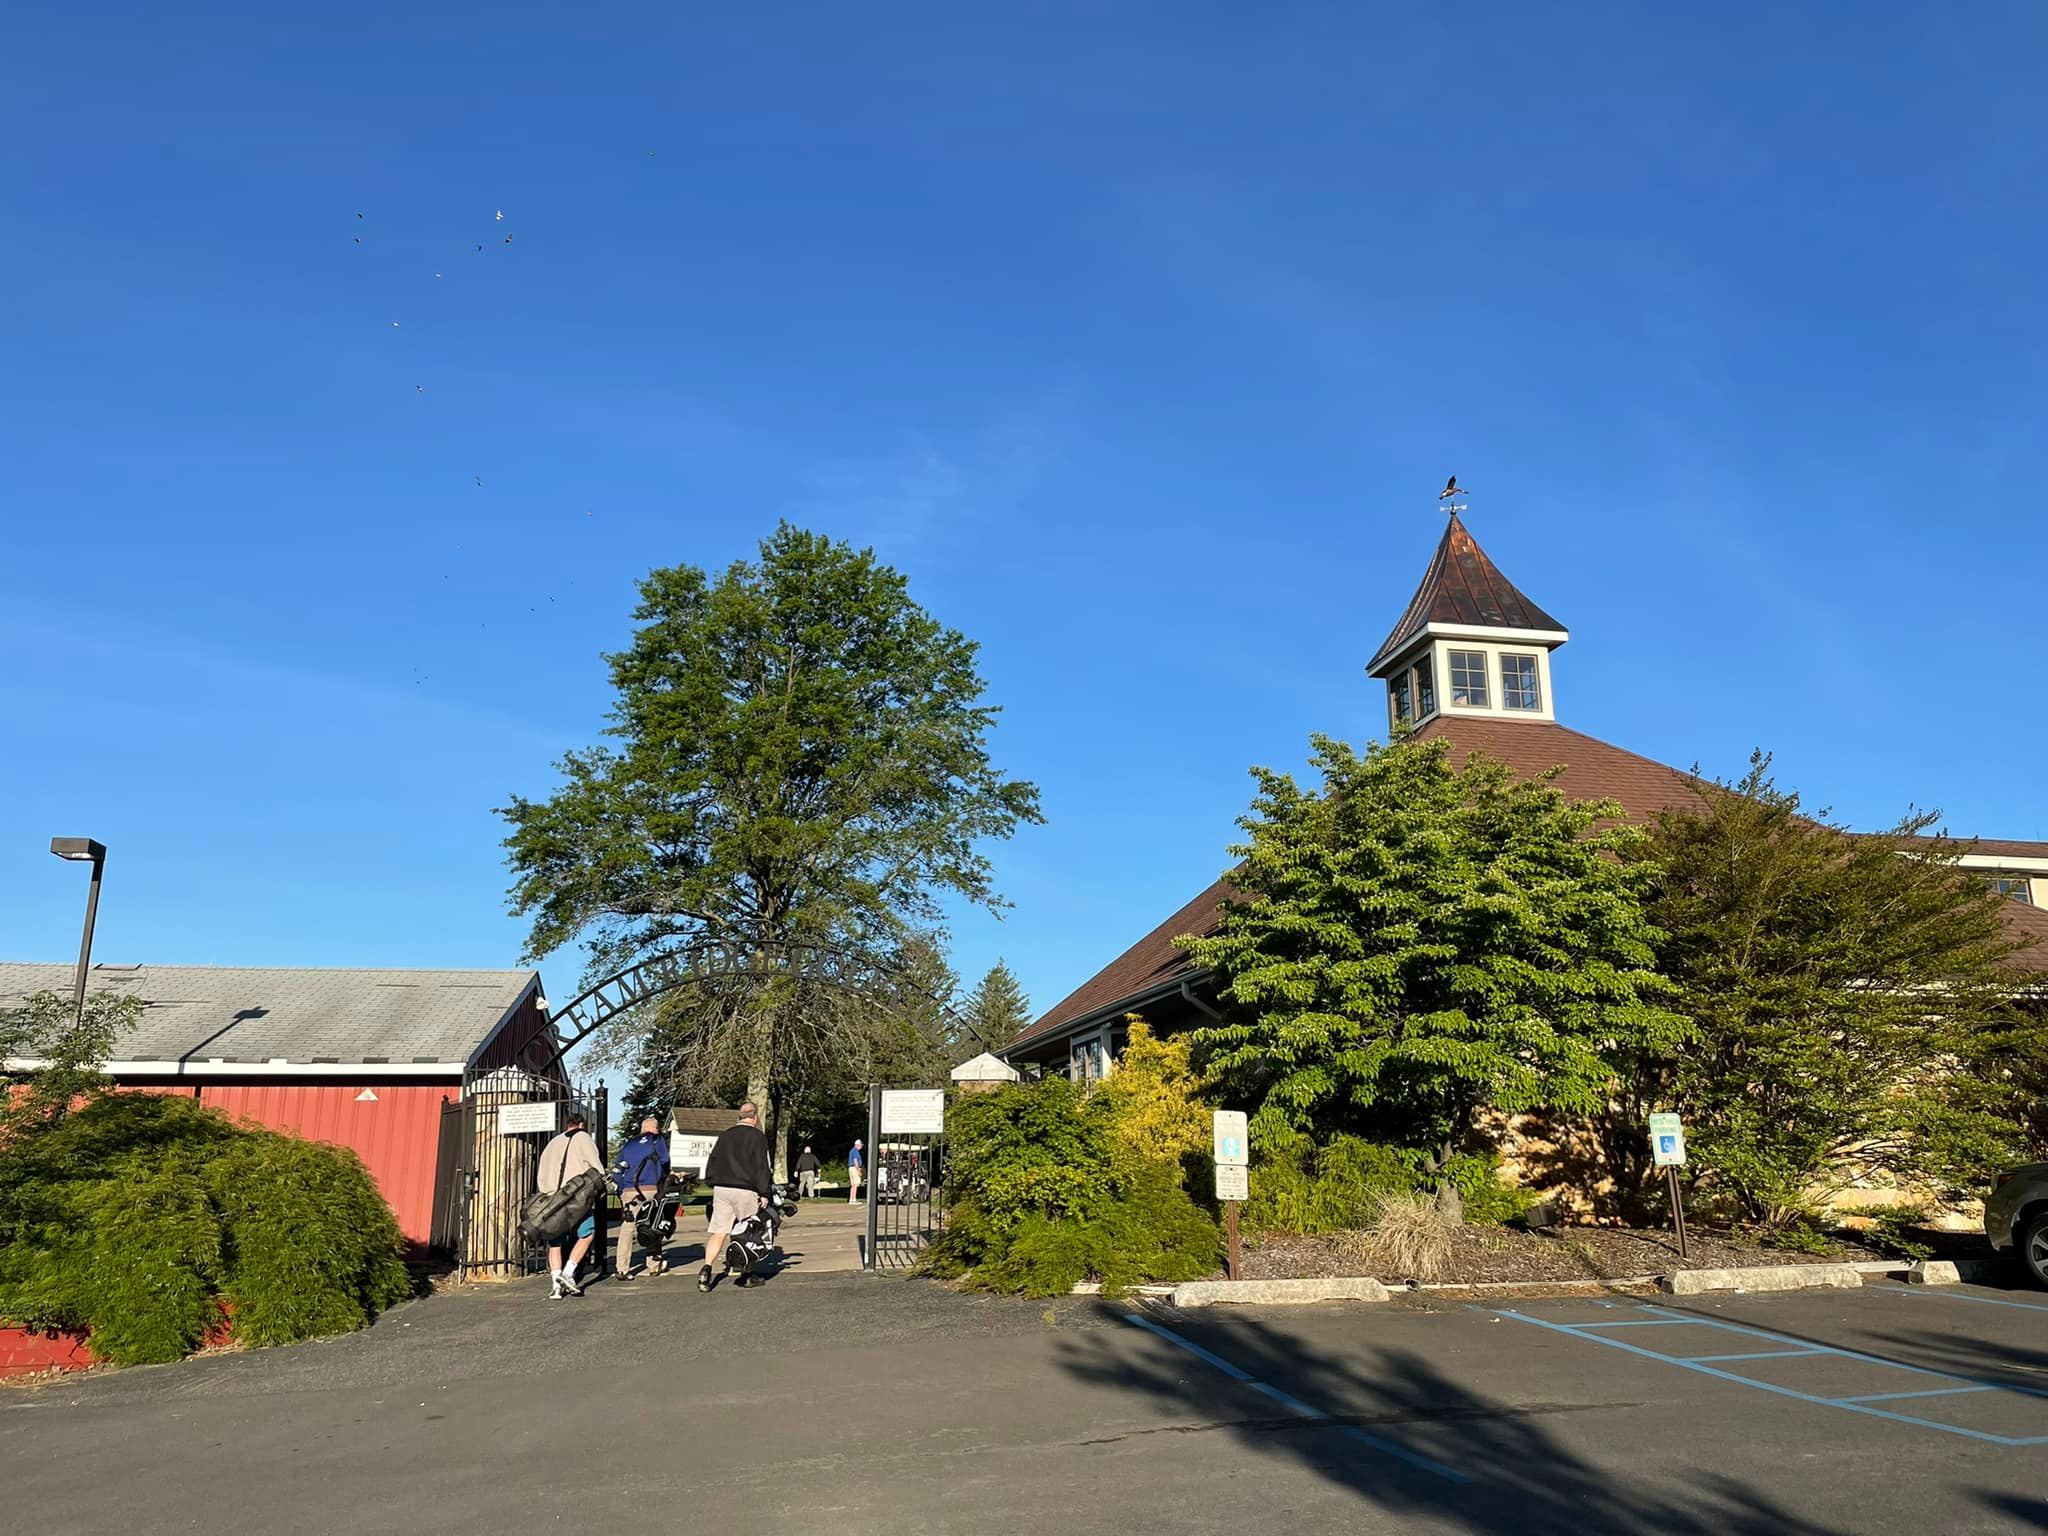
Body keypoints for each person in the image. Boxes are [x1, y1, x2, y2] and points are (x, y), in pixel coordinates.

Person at [698, 1102, 774, 1291]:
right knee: (748, 1230)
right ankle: (747, 1273)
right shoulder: (757, 1137)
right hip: (745, 1188)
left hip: (722, 1187)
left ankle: (706, 1269)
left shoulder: (725, 1135)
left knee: (719, 1231)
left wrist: (711, 1180)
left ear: (739, 1117)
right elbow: (761, 1166)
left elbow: (712, 1160)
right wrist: (764, 1192)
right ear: (755, 1118)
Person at [537, 1108, 603, 1298]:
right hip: (575, 1197)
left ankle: (556, 1286)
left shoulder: (553, 1142)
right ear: (582, 1125)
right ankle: (568, 1272)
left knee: (555, 1241)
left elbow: (541, 1172)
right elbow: (595, 1166)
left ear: (567, 1125)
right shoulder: (583, 1138)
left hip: (551, 1197)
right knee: (587, 1234)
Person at [611, 1115, 672, 1280]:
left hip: (629, 1190)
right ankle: (653, 1265)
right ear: (654, 1129)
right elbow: (665, 1161)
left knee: (627, 1228)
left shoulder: (629, 1144)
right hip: (650, 1188)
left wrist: (622, 1189)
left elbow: (618, 1169)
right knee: (652, 1224)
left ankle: (622, 1268)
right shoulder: (656, 1140)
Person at [847, 1137, 864, 1205]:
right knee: (856, 1184)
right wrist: (858, 1170)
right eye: (861, 1145)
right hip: (854, 1168)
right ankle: (853, 1199)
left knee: (853, 1185)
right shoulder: (855, 1151)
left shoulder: (852, 1150)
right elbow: (855, 1161)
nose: (861, 1147)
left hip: (851, 1168)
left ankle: (851, 1199)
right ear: (857, 1145)